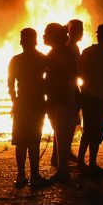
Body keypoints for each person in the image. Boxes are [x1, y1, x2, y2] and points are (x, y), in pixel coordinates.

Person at [8, 28, 51, 188]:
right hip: (37, 103)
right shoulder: (42, 58)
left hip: (22, 103)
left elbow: (10, 83)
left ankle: (21, 175)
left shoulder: (16, 60)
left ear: (22, 42)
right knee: (34, 140)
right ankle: (34, 175)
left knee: (21, 141)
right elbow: (51, 77)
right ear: (35, 41)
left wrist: (15, 100)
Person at [76, 24, 103, 176]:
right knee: (98, 130)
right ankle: (92, 164)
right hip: (100, 98)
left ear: (97, 36)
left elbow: (79, 72)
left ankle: (81, 162)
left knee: (88, 129)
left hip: (87, 96)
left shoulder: (87, 51)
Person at [43, 23, 78, 183]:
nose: (43, 36)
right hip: (60, 98)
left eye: (46, 33)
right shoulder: (59, 52)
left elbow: (65, 76)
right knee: (61, 132)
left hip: (63, 98)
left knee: (62, 132)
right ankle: (61, 167)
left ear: (54, 36)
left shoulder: (62, 53)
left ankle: (63, 170)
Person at [51, 18, 85, 168]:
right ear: (72, 31)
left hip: (69, 87)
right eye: (80, 30)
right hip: (66, 89)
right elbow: (73, 69)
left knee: (64, 124)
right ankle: (60, 157)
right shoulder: (68, 48)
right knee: (65, 124)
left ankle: (60, 155)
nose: (82, 33)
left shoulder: (72, 47)